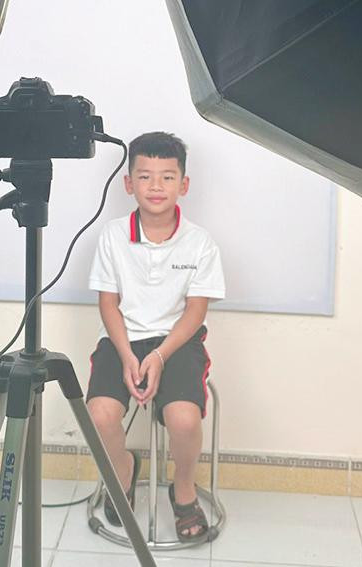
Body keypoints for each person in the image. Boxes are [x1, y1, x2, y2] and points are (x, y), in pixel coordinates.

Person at [86, 131, 225, 541]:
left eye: (167, 177)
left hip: (176, 341)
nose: (156, 186)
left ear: (184, 184)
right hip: (121, 340)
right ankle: (123, 471)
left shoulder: (200, 243)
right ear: (129, 184)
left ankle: (183, 492)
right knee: (100, 414)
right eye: (145, 177)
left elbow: (195, 311)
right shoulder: (112, 235)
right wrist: (128, 356)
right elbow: (108, 303)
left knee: (183, 419)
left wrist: (160, 356)